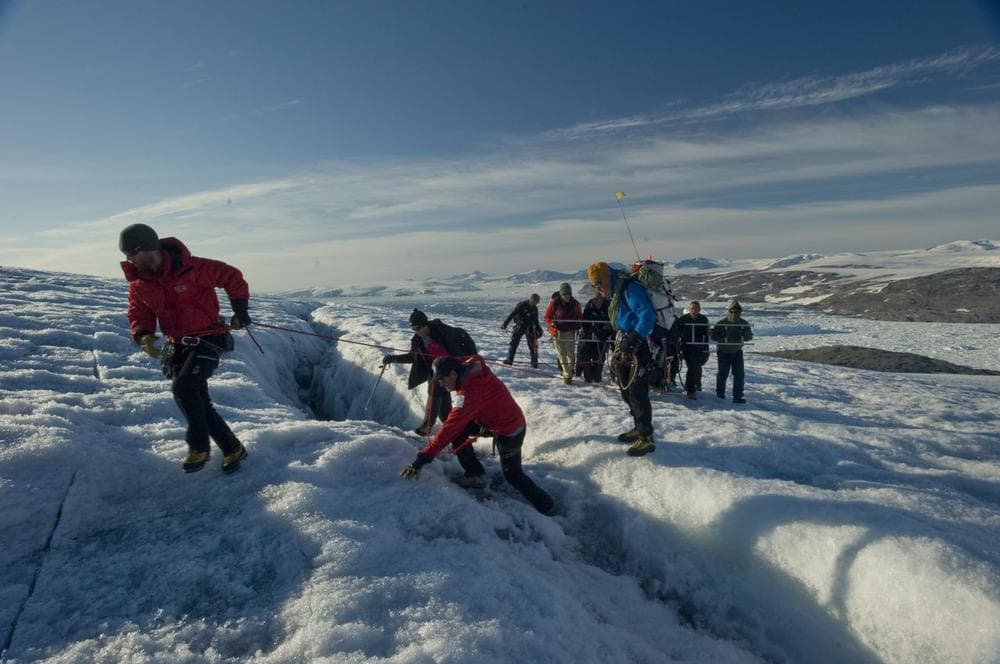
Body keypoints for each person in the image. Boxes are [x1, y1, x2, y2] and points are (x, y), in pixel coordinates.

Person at [120, 223, 252, 474]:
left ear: (146, 248)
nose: (129, 260)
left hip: (210, 337)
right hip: (176, 345)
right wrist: (144, 335)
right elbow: (139, 312)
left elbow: (231, 276)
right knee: (197, 400)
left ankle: (198, 446)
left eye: (131, 254)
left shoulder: (193, 267)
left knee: (185, 387)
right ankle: (233, 448)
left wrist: (240, 310)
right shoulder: (139, 283)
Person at [400, 355, 555, 515]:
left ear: (453, 374)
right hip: (489, 419)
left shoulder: (469, 394)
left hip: (510, 429)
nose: (440, 384)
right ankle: (475, 475)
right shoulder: (470, 367)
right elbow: (473, 357)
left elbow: (450, 428)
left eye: (442, 379)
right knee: (459, 433)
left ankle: (547, 505)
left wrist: (422, 459)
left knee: (513, 476)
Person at [587, 261, 656, 457]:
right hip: (625, 341)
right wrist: (609, 329)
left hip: (637, 345)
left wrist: (633, 339)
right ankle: (638, 427)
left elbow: (647, 316)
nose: (597, 288)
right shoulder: (616, 291)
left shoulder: (628, 288)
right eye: (594, 285)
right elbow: (625, 317)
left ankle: (646, 437)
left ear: (608, 277)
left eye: (599, 283)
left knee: (637, 391)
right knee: (626, 389)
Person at [382, 309, 477, 436]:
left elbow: (462, 334)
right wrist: (393, 358)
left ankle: (428, 425)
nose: (416, 331)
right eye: (413, 329)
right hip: (437, 370)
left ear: (425, 323)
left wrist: (472, 356)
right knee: (444, 411)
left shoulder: (441, 329)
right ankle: (457, 431)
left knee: (435, 385)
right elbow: (412, 357)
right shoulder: (417, 340)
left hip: (455, 368)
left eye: (418, 327)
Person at [711, 300, 753, 403]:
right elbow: (714, 336)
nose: (734, 314)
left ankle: (738, 396)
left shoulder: (743, 323)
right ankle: (720, 394)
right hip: (723, 351)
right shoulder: (721, 323)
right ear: (729, 311)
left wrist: (744, 334)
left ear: (740, 312)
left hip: (737, 351)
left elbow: (749, 337)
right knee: (722, 374)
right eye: (732, 311)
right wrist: (721, 336)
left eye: (736, 312)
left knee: (739, 374)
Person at [543, 282, 583, 384]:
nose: (567, 296)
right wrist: (551, 323)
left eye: (569, 294)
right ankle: (567, 374)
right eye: (565, 294)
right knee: (561, 354)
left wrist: (578, 324)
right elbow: (547, 316)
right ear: (561, 294)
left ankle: (569, 371)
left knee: (570, 354)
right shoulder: (554, 304)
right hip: (557, 332)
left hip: (570, 331)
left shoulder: (575, 304)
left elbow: (579, 316)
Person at [575, 290, 612, 383]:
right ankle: (586, 375)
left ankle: (597, 376)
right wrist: (593, 329)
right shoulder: (589, 307)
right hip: (588, 337)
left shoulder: (608, 307)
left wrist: (605, 331)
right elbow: (584, 323)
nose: (598, 301)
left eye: (600, 298)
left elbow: (612, 323)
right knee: (584, 355)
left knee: (598, 362)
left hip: (602, 339)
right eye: (596, 298)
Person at [675, 301, 710, 399]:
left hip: (699, 347)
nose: (695, 311)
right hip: (686, 347)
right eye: (693, 309)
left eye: (697, 309)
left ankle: (697, 386)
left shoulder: (703, 319)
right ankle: (690, 389)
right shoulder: (683, 319)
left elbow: (706, 336)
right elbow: (677, 334)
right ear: (689, 309)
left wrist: (706, 350)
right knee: (692, 367)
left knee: (697, 367)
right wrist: (678, 349)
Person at [501, 294, 542, 367]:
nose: (535, 304)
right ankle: (509, 360)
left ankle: (534, 363)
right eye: (534, 301)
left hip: (530, 328)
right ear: (531, 299)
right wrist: (505, 323)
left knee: (533, 345)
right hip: (520, 326)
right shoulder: (521, 305)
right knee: (514, 343)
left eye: (537, 302)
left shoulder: (535, 308)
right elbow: (513, 314)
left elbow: (536, 320)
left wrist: (538, 328)